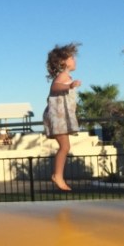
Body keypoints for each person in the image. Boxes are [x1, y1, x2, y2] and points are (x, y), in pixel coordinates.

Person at [43, 42, 82, 191]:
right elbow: (55, 87)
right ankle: (57, 176)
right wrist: (69, 86)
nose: (74, 60)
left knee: (65, 146)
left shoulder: (67, 76)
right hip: (56, 116)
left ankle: (58, 175)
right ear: (63, 62)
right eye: (71, 58)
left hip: (60, 115)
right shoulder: (63, 76)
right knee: (65, 147)